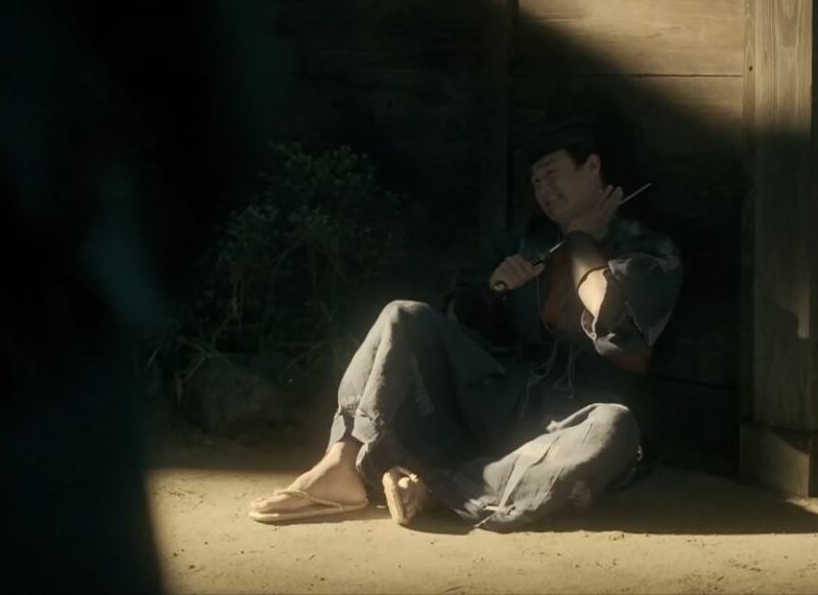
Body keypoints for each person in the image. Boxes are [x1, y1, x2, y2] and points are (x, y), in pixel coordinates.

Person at [248, 120, 683, 531]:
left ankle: (436, 488)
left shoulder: (646, 249)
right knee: (404, 315)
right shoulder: (528, 241)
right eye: (535, 182)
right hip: (493, 402)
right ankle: (342, 462)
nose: (544, 191)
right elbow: (455, 314)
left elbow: (609, 311)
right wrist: (493, 290)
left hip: (563, 426)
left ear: (592, 167)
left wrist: (580, 238)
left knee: (615, 427)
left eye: (552, 175)